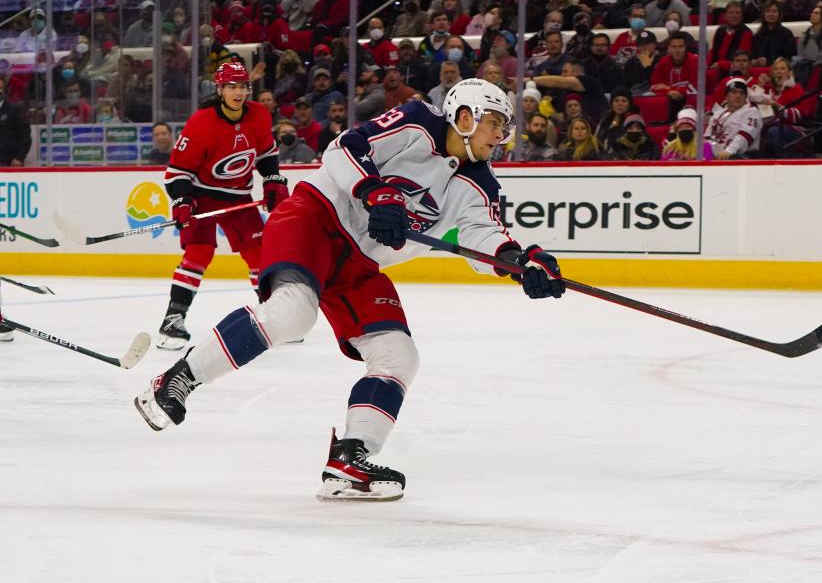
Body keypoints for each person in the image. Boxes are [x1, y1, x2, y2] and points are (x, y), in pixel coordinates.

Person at [133, 79, 566, 502]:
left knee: (399, 355)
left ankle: (349, 458)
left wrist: (519, 260)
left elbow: (482, 236)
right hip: (315, 217)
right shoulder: (417, 122)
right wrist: (374, 191)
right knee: (292, 313)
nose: (502, 135)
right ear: (465, 117)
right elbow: (344, 148)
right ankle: (175, 381)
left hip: (360, 263)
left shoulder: (480, 183)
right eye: (495, 123)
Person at [156, 62, 289, 350]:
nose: (238, 92)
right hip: (202, 195)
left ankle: (274, 314)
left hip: (239, 196)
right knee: (198, 253)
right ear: (220, 90)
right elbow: (177, 171)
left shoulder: (259, 115)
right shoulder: (202, 123)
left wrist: (272, 181)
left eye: (242, 86)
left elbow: (267, 152)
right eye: (232, 87)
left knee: (260, 254)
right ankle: (172, 320)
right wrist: (182, 200)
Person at [705, 78, 763, 159]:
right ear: (726, 96)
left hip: (740, 157)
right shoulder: (718, 114)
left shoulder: (752, 112)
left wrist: (729, 151)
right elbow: (707, 138)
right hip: (717, 156)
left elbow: (744, 137)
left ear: (746, 97)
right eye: (734, 92)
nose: (738, 96)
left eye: (742, 93)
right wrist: (707, 157)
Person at [0, 76, 31, 167]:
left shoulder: (15, 110)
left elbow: (25, 136)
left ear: (5, 90)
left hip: (10, 162)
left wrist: (20, 157)